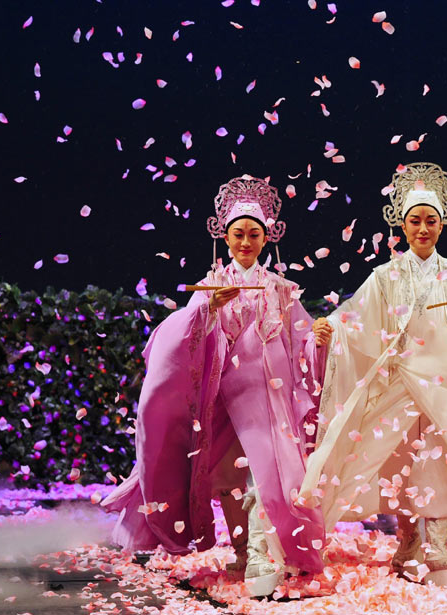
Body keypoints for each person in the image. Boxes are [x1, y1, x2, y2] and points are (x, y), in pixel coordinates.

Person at [102, 175, 331, 596]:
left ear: (266, 239)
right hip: (224, 398)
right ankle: (243, 549)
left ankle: (262, 551)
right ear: (225, 237)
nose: (245, 242)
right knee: (228, 478)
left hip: (268, 399)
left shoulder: (282, 290)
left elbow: (300, 340)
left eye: (254, 234)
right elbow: (176, 342)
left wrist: (316, 339)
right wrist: (206, 310)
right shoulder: (210, 286)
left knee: (267, 473)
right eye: (238, 234)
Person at [300, 162, 447, 585]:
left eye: (431, 220)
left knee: (441, 462)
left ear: (442, 224)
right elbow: (356, 318)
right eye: (415, 221)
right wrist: (330, 328)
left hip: (444, 387)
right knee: (397, 460)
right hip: (399, 382)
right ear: (402, 225)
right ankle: (408, 541)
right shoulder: (385, 276)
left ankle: (437, 545)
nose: (423, 229)